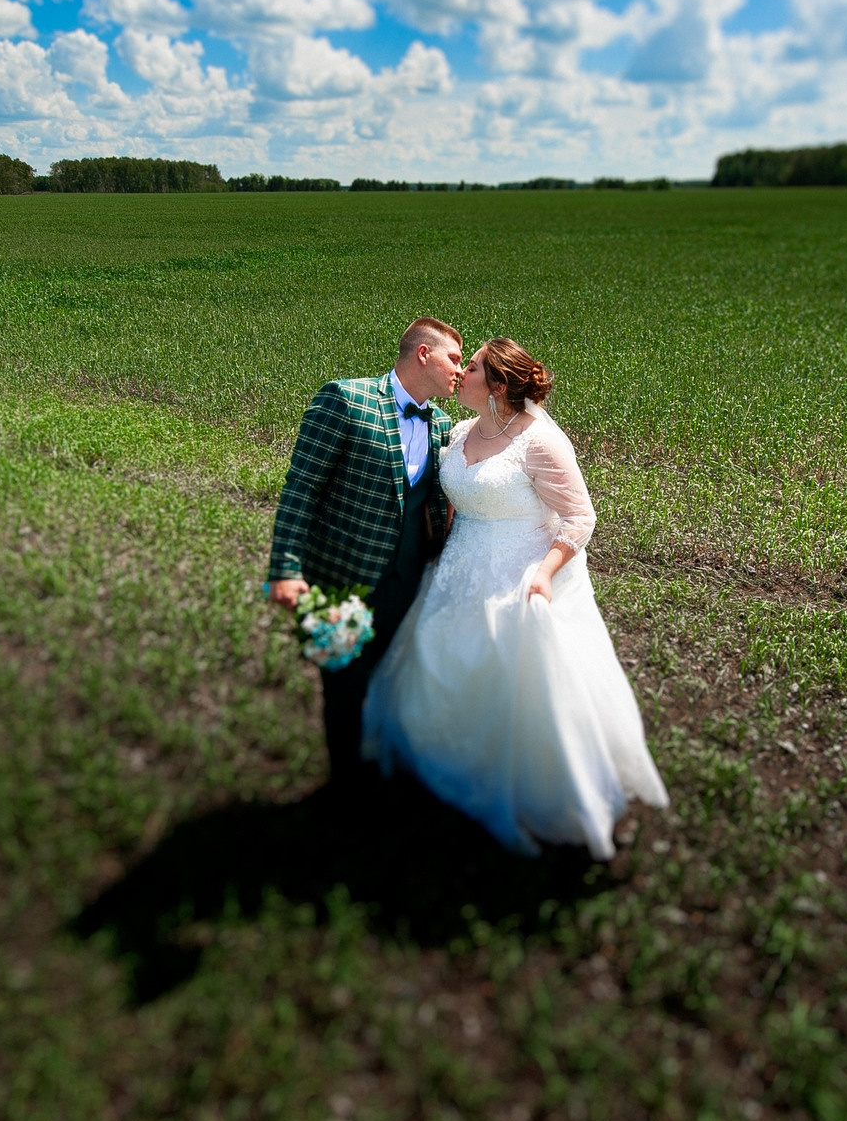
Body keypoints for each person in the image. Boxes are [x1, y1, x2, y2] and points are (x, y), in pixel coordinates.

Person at [362, 338, 668, 859]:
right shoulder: (459, 431)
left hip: (517, 570)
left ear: (499, 385)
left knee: (515, 681)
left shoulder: (539, 442)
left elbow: (580, 518)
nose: (462, 374)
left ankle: (539, 793)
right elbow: (460, 499)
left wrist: (545, 574)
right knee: (438, 665)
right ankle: (445, 774)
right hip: (458, 568)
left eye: (474, 367)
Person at [267, 317, 463, 791]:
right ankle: (343, 789)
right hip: (341, 577)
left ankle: (377, 772)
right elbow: (301, 489)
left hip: (406, 584)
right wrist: (286, 569)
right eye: (454, 358)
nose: (460, 369)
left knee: (385, 680)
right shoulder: (345, 398)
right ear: (423, 354)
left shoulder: (442, 425)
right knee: (343, 687)